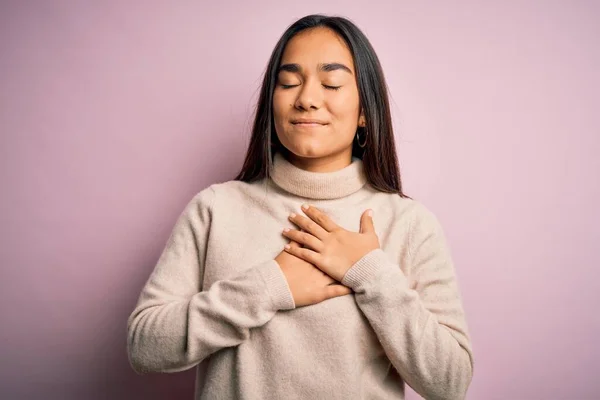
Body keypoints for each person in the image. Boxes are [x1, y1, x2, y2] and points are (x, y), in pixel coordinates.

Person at [126, 14, 474, 400]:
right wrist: (268, 286)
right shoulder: (215, 209)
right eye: (289, 82)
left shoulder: (409, 223)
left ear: (364, 111)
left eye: (332, 83)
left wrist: (371, 273)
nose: (307, 98)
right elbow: (144, 345)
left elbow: (451, 382)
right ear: (271, 103)